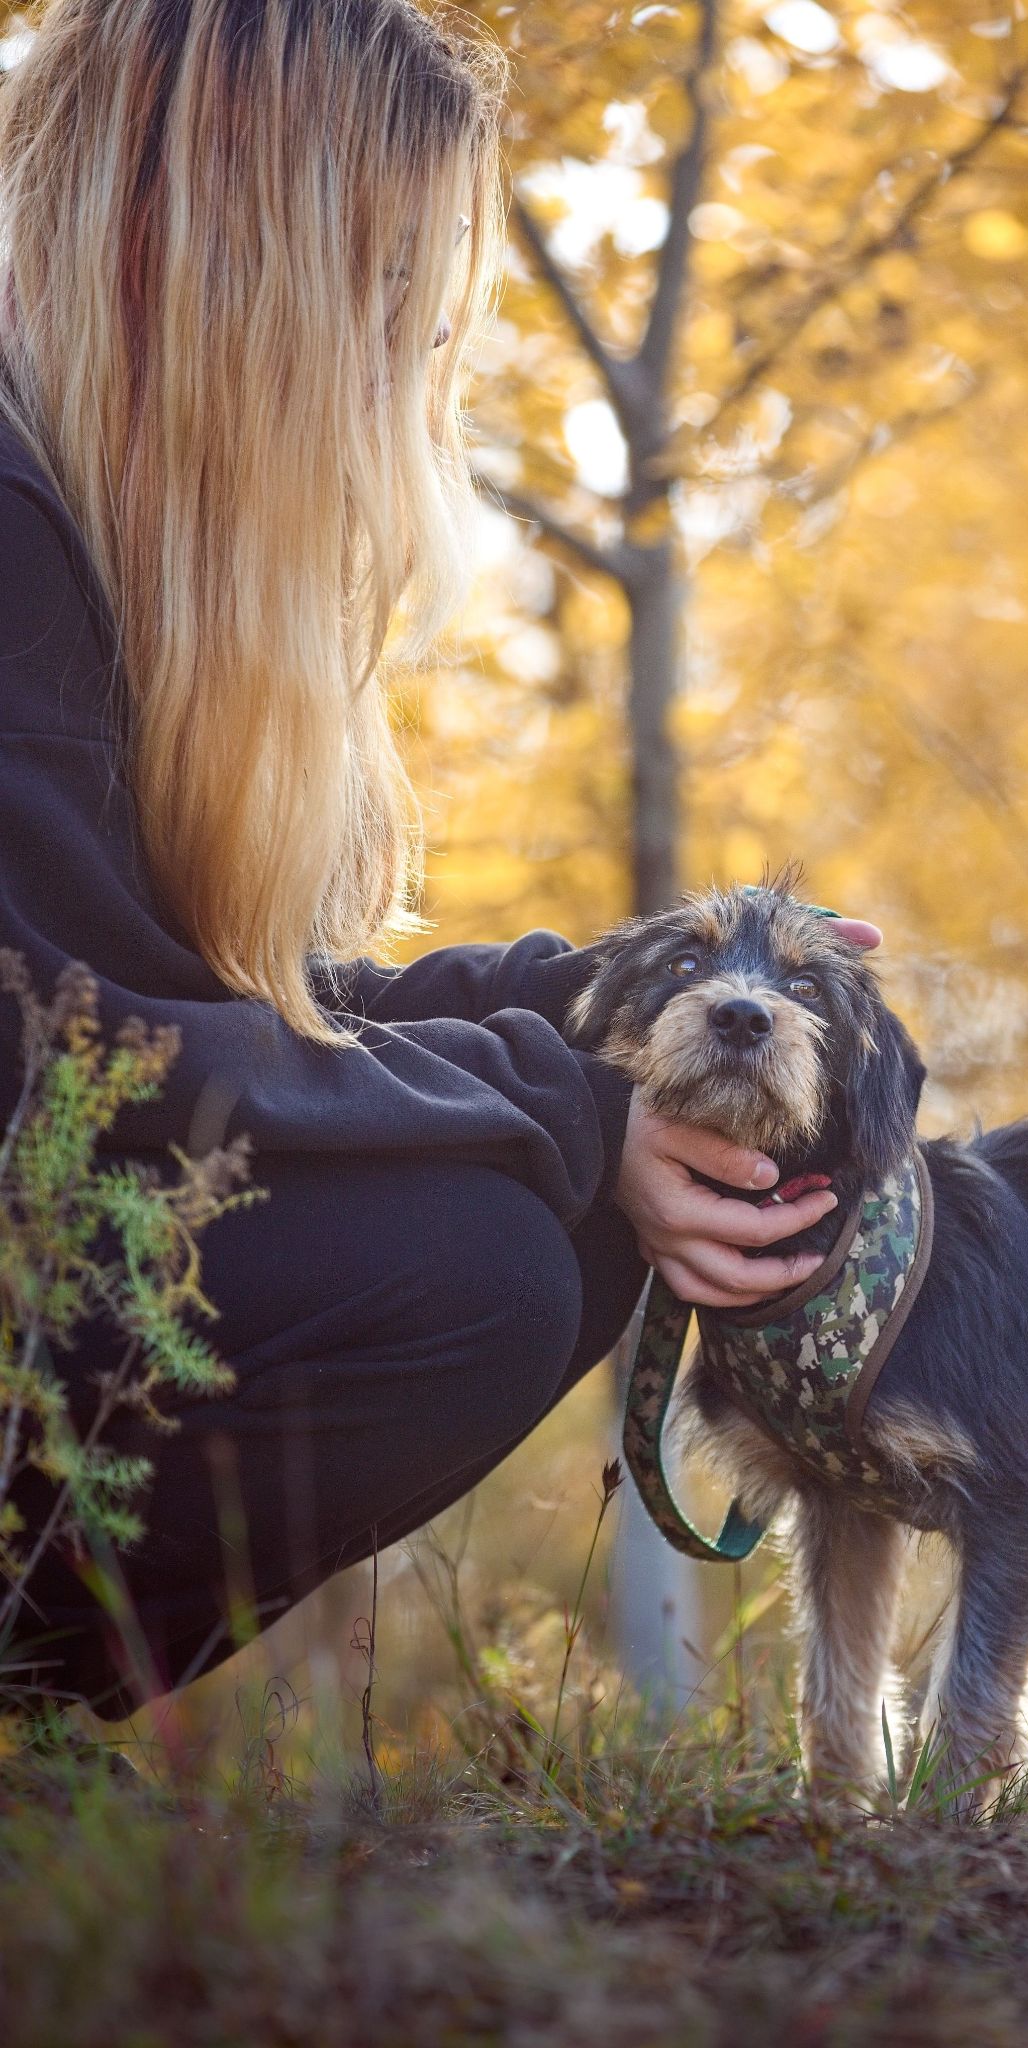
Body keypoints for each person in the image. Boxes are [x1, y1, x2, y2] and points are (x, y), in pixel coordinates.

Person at [0, 0, 879, 1718]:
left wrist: (594, 1011)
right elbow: (57, 1058)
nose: (411, 366)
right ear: (244, 264)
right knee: (473, 1263)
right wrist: (554, 1102)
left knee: (574, 1188)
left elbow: (196, 1005)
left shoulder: (78, 533)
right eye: (393, 298)